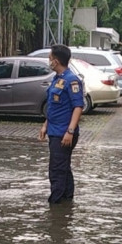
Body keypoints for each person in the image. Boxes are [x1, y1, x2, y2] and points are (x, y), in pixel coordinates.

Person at [38, 44, 84, 204]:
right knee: (63, 167)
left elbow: (78, 107)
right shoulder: (57, 79)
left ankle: (55, 204)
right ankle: (66, 202)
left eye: (50, 58)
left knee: (56, 170)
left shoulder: (72, 80)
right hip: (54, 130)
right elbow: (53, 106)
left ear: (56, 61)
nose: (49, 61)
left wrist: (70, 131)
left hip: (64, 133)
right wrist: (45, 125)